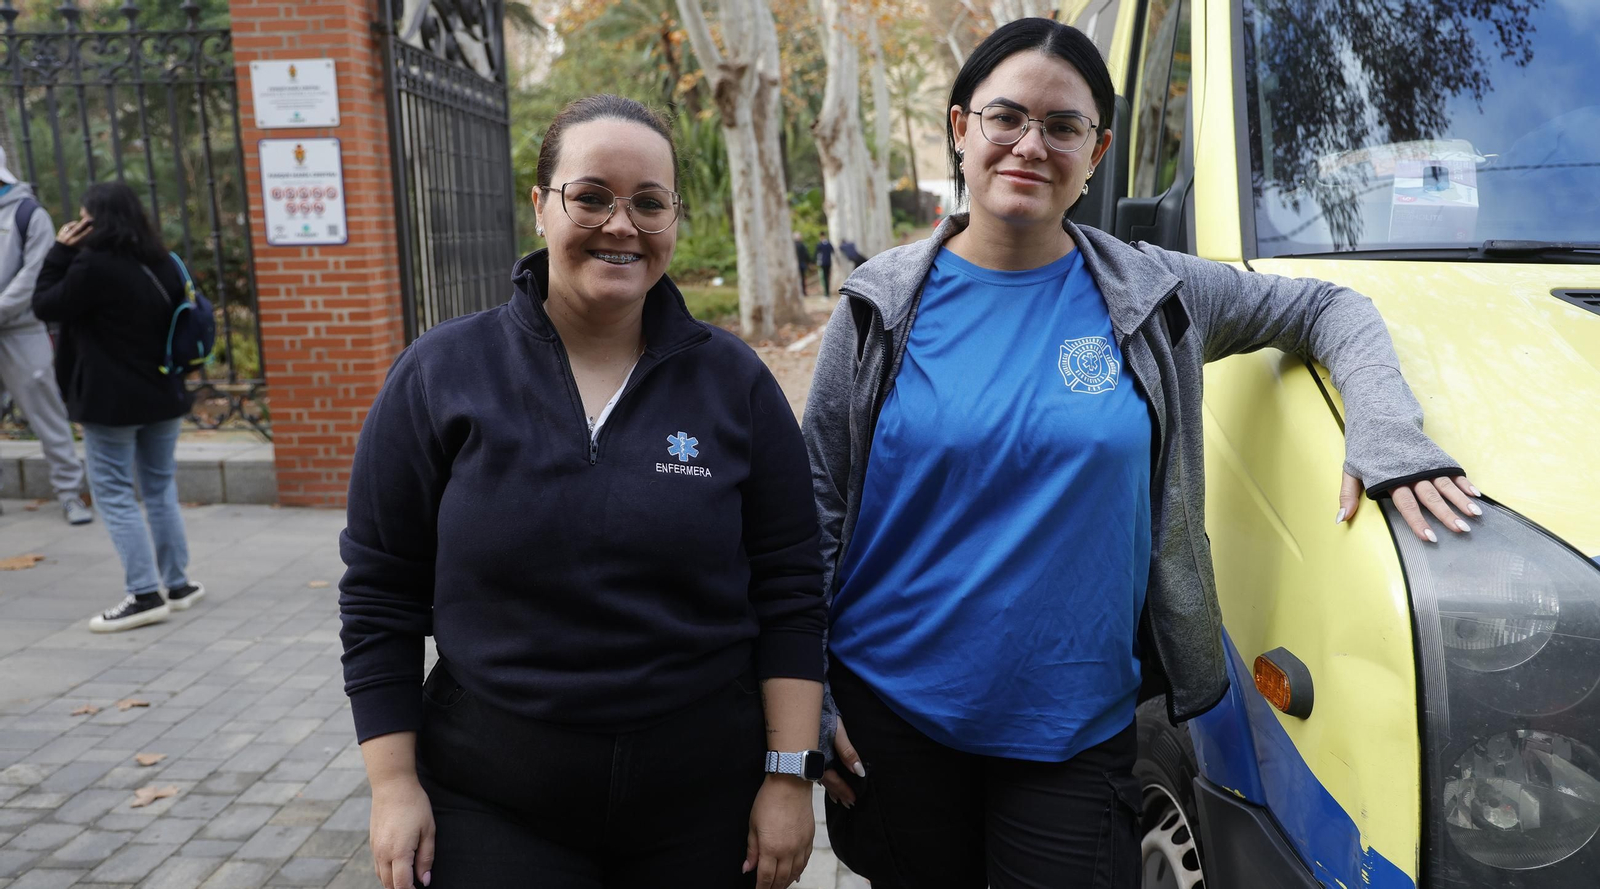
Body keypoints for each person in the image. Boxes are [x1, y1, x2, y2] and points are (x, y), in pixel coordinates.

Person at [803, 18, 1478, 889]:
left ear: (1098, 151)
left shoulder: (1155, 292)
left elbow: (1329, 309)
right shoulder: (877, 308)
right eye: (1005, 118)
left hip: (1076, 727)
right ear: (961, 126)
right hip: (895, 720)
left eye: (1062, 127)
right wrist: (804, 699)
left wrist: (1385, 431)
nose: (1030, 145)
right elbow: (810, 513)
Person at [340, 94, 827, 889]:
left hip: (704, 806)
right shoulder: (441, 376)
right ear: (541, 205)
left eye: (649, 202)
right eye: (591, 195)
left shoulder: (734, 385)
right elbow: (381, 595)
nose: (621, 224)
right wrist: (393, 786)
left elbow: (792, 589)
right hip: (493, 800)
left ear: (674, 216)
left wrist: (787, 775)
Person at [32, 182, 205, 633]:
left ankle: (145, 594)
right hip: (164, 394)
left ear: (96, 220)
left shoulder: (91, 266)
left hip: (112, 404)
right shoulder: (164, 262)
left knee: (113, 493)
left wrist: (58, 252)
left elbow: (44, 304)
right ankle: (179, 585)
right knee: (159, 487)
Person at [0, 146, 92, 525]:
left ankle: (70, 493)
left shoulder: (28, 213)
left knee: (47, 415)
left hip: (22, 329)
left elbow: (34, 273)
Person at [793, 232, 811, 296]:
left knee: (798, 279)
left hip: (796, 265)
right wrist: (809, 262)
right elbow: (806, 255)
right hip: (802, 264)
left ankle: (800, 292)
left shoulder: (793, 245)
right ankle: (803, 292)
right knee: (802, 278)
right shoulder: (802, 245)